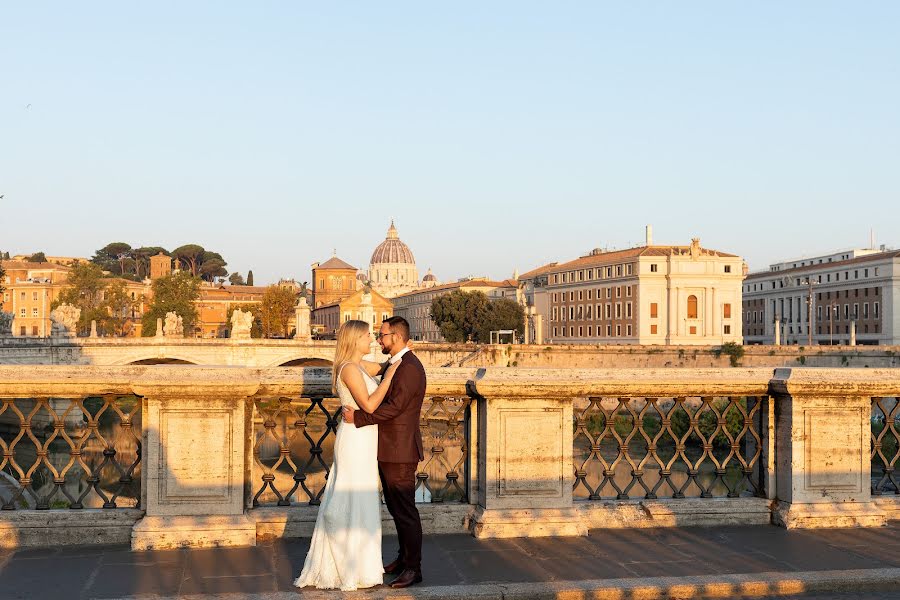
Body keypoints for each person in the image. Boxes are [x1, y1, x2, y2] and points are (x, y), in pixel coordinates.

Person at [293, 319, 401, 591]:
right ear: (354, 340)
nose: (373, 340)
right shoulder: (349, 370)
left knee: (362, 495)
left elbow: (384, 365)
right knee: (354, 495)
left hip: (363, 436)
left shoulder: (358, 365)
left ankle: (363, 565)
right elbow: (369, 404)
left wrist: (399, 356)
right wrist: (388, 380)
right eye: (367, 336)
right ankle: (349, 565)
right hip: (355, 438)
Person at [343, 316, 426, 589]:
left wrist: (358, 419)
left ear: (398, 338)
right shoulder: (396, 363)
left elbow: (395, 408)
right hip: (389, 448)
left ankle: (414, 569)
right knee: (396, 508)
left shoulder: (409, 368)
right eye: (376, 336)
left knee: (405, 511)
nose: (379, 340)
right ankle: (403, 559)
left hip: (400, 450)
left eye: (383, 335)